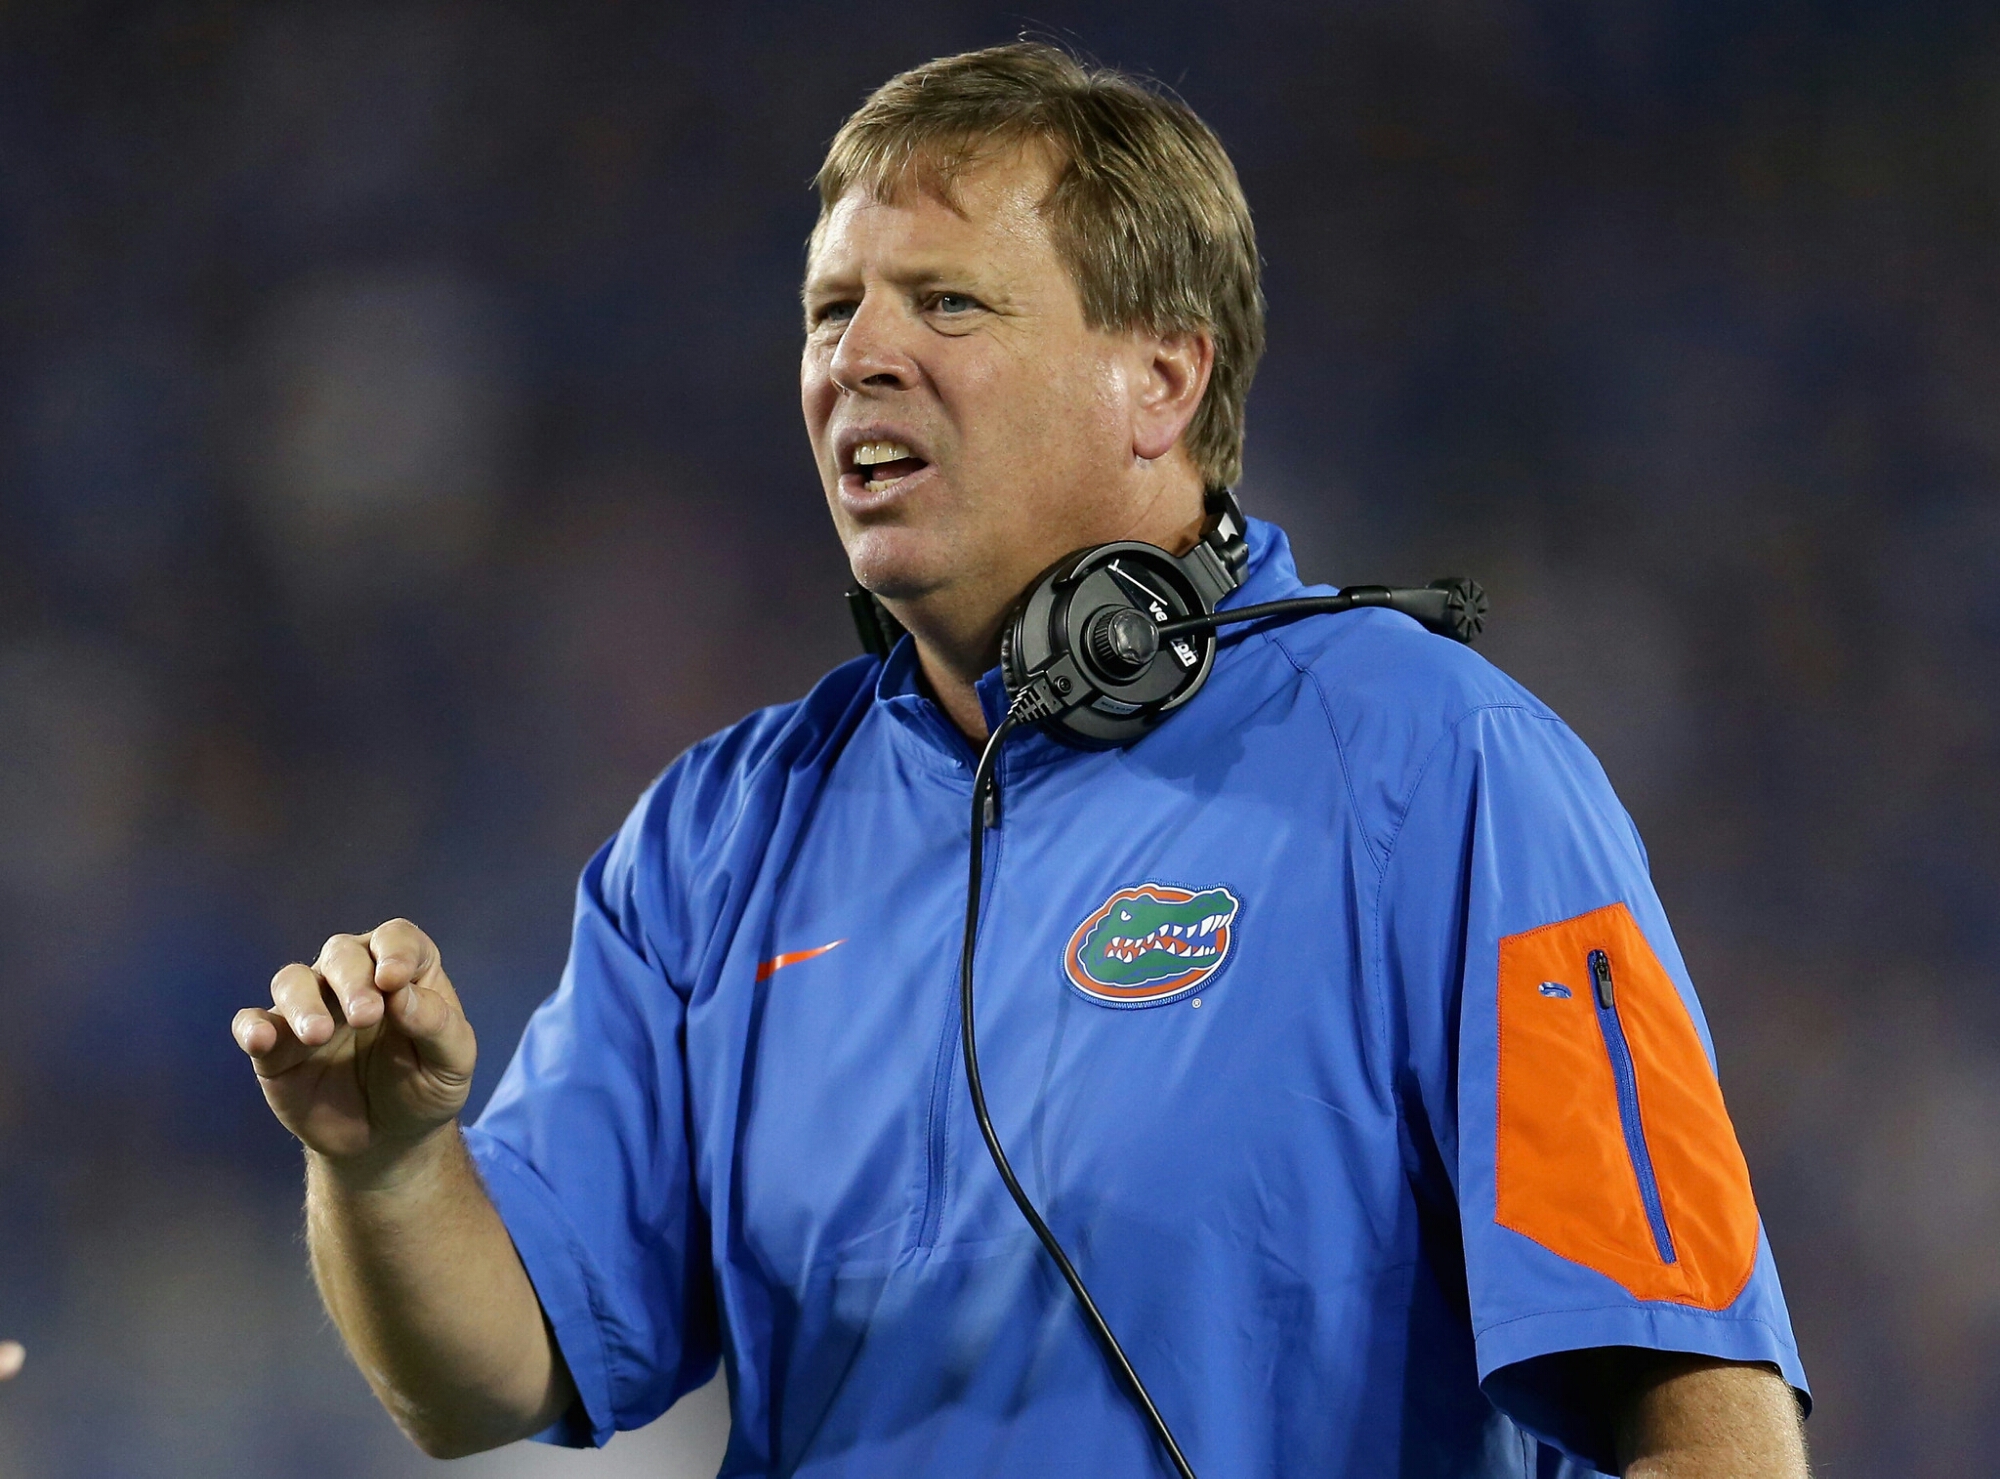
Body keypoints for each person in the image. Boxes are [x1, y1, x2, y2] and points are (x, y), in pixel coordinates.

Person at [232, 43, 1810, 1477]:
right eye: (830, 309)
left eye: (948, 303)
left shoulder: (1440, 769)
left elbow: (1706, 1428)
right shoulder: (718, 842)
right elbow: (487, 1378)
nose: (859, 355)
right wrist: (386, 1169)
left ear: (1162, 380)